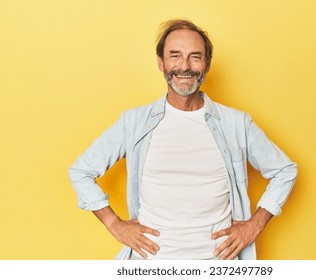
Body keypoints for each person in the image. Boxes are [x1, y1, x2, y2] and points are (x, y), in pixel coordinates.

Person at [68, 19, 297, 260]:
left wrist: (253, 226)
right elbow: (81, 171)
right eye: (175, 56)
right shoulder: (134, 122)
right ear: (161, 63)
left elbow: (285, 170)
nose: (184, 66)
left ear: (206, 65)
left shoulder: (235, 124)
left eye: (195, 57)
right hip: (149, 264)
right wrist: (114, 224)